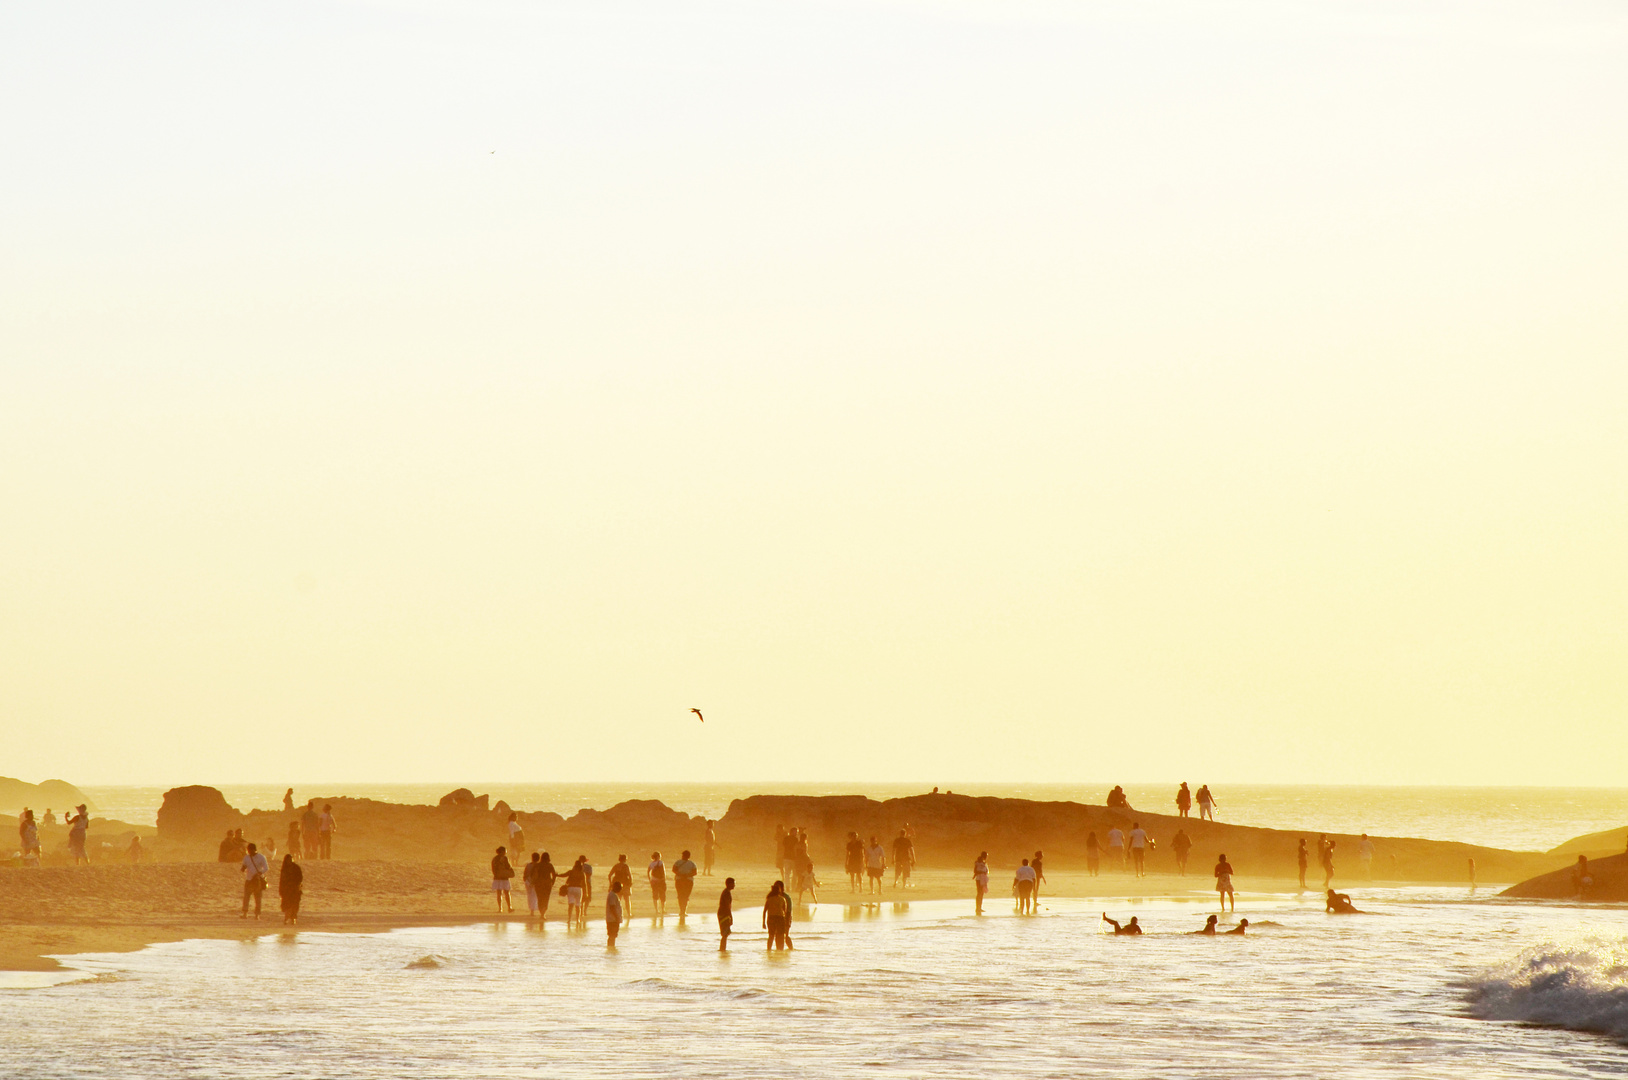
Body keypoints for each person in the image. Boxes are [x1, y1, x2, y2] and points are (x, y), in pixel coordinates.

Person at [240, 842, 270, 918]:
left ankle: (257, 915)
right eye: (248, 850)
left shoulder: (261, 857)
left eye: (250, 850)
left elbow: (266, 868)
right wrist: (243, 868)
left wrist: (260, 873)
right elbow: (244, 866)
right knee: (246, 897)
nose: (249, 852)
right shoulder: (246, 857)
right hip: (249, 879)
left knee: (258, 898)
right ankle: (245, 914)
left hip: (257, 880)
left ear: (254, 850)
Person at [762, 880, 792, 951]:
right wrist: (786, 921)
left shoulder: (770, 899)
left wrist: (763, 922)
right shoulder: (782, 899)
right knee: (780, 936)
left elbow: (765, 911)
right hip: (780, 918)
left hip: (773, 918)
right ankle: (780, 951)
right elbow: (784, 911)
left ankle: (770, 950)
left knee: (773, 936)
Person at [279, 853, 303, 924]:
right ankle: (286, 918)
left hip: (295, 889)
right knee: (287, 905)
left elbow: (300, 878)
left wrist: (297, 885)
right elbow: (282, 880)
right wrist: (281, 889)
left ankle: (293, 918)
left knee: (294, 905)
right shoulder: (284, 868)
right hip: (286, 890)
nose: (289, 861)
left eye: (290, 859)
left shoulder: (296, 867)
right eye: (287, 860)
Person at [673, 850, 698, 917]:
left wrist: (680, 874)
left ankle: (682, 910)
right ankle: (683, 911)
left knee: (680, 895)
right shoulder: (692, 863)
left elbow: (674, 870)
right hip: (688, 881)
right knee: (686, 896)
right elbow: (695, 873)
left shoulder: (678, 862)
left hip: (679, 880)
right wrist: (687, 875)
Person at [564, 857, 587, 928]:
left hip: (570, 888)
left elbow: (564, 875)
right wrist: (586, 893)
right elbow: (584, 884)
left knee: (570, 904)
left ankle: (569, 919)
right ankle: (578, 919)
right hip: (578, 888)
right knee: (578, 904)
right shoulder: (582, 873)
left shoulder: (571, 872)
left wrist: (556, 875)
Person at [534, 852, 557, 922]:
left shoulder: (538, 865)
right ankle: (543, 914)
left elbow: (535, 874)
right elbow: (554, 874)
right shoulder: (549, 865)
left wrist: (534, 882)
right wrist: (552, 882)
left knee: (539, 898)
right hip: (547, 883)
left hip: (539, 883)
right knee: (546, 898)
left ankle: (542, 913)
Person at [490, 846, 514, 912]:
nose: (506, 852)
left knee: (499, 893)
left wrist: (496, 874)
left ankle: (500, 908)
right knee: (507, 893)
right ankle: (509, 907)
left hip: (497, 877)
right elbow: (508, 866)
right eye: (505, 851)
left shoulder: (494, 859)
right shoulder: (504, 858)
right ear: (502, 851)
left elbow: (493, 868)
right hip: (505, 878)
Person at [717, 876, 736, 951]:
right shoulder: (726, 893)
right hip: (724, 914)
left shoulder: (726, 892)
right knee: (725, 933)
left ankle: (723, 950)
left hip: (723, 913)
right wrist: (730, 917)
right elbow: (727, 906)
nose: (734, 885)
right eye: (733, 884)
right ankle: (722, 949)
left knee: (725, 933)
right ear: (728, 884)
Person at [523, 852, 544, 917]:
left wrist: (526, 880)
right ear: (538, 858)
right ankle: (534, 910)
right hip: (535, 882)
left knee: (529, 896)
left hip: (528, 882)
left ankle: (531, 910)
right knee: (534, 896)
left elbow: (525, 874)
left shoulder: (528, 865)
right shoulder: (539, 865)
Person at [647, 851, 668, 916]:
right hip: (661, 880)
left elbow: (648, 871)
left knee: (655, 895)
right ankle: (663, 909)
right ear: (659, 856)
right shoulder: (661, 862)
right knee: (662, 895)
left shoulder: (651, 864)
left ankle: (656, 910)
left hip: (653, 880)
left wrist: (649, 879)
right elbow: (663, 872)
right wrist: (664, 879)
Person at [605, 881, 624, 947]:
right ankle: (610, 947)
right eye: (620, 887)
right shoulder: (612, 895)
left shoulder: (613, 895)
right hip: (612, 920)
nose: (621, 889)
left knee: (613, 936)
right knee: (612, 936)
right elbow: (612, 907)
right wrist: (617, 917)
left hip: (613, 919)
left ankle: (611, 948)